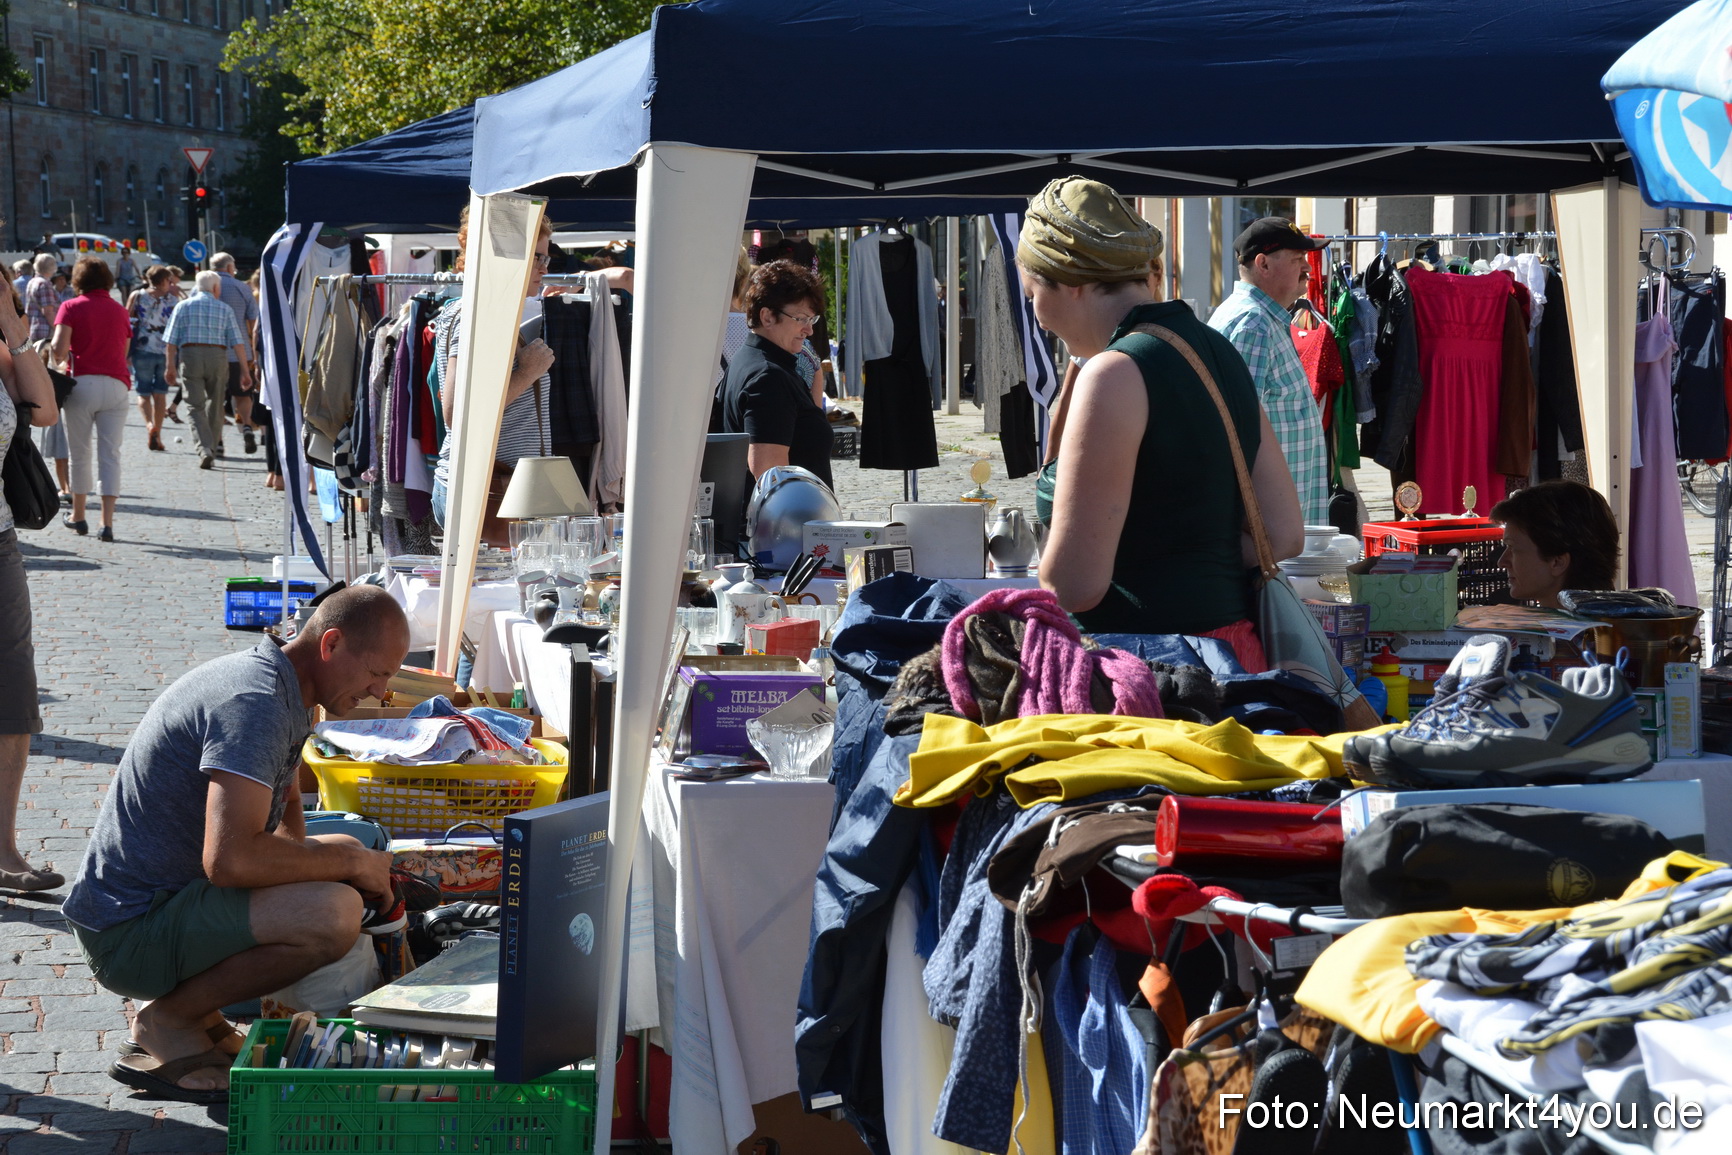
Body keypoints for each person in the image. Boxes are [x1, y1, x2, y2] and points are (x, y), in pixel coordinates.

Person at [63, 586, 411, 1103]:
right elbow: (228, 861)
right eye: (377, 673)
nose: (382, 692)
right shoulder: (256, 702)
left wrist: (331, 863)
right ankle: (169, 1020)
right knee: (333, 911)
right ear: (331, 643)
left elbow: (286, 790)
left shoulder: (283, 685)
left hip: (166, 903)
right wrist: (344, 865)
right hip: (127, 933)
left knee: (342, 857)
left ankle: (202, 1014)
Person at [1022, 176, 1303, 657]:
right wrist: (1190, 561)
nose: (1036, 312)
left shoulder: (1115, 373)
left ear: (1069, 284)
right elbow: (1283, 534)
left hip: (1148, 672)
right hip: (1233, 656)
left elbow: (1074, 585)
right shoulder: (1216, 349)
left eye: (1032, 293)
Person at [429, 210, 559, 541]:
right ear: (505, 259)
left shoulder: (479, 310)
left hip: (493, 487)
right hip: (488, 491)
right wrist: (529, 371)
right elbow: (456, 413)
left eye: (547, 255)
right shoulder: (481, 314)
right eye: (536, 257)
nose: (545, 266)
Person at [0, 250, 63, 893]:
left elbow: (43, 411)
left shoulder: (1, 355)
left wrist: (17, 336)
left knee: (14, 697)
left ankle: (4, 851)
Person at [1208, 217, 1331, 526]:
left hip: (1278, 526)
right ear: (1262, 264)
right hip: (1267, 530)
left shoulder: (1261, 319)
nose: (1308, 268)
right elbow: (1237, 433)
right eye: (1297, 259)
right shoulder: (1254, 324)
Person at [718, 259, 834, 489]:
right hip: (786, 520)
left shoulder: (752, 360)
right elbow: (771, 478)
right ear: (767, 316)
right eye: (801, 318)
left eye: (811, 319)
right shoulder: (768, 377)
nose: (809, 329)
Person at [51, 258, 133, 542]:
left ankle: (79, 515)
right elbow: (123, 353)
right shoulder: (120, 310)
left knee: (79, 453)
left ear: (78, 280)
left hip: (82, 383)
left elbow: (59, 351)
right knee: (111, 454)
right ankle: (107, 523)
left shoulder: (71, 307)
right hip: (116, 385)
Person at [163, 270, 249, 469]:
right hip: (218, 357)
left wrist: (170, 366)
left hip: (191, 356)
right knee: (216, 402)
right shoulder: (224, 309)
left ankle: (204, 449)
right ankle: (211, 445)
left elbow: (171, 341)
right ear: (216, 288)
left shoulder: (182, 307)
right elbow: (238, 342)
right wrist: (245, 370)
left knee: (194, 406)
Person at [1491, 480, 1619, 608]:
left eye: (1513, 548)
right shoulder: (1614, 623)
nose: (1502, 562)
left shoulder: (1585, 627)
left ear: (1557, 562)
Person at [210, 253, 261, 454]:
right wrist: (252, 347)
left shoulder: (203, 288)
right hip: (240, 352)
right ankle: (247, 425)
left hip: (213, 351)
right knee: (243, 393)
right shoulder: (242, 288)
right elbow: (252, 322)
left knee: (215, 397)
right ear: (230, 268)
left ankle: (219, 441)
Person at [126, 265, 180, 452]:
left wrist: (126, 352)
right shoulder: (173, 300)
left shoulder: (137, 296)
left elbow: (127, 321)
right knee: (160, 394)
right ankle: (158, 432)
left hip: (142, 348)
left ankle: (149, 425)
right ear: (164, 281)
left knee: (143, 393)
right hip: (165, 351)